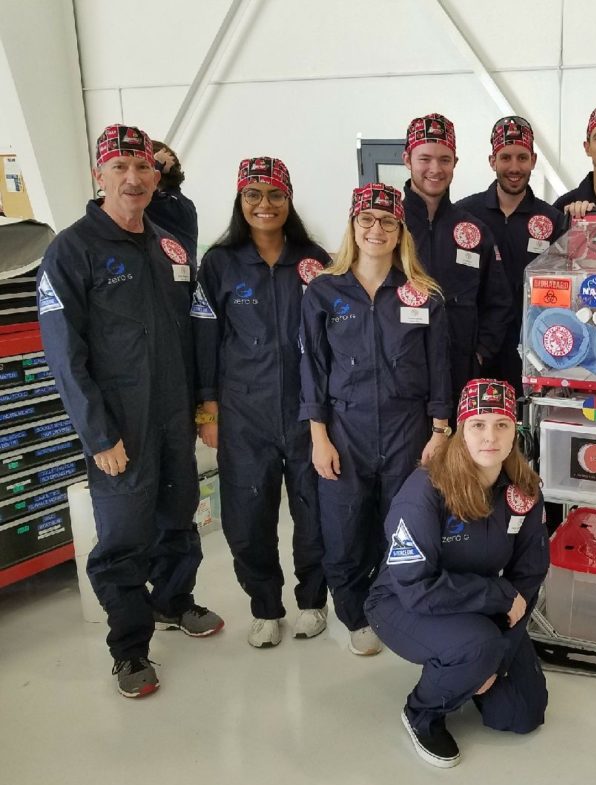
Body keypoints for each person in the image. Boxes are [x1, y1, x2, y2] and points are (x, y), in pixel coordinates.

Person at [37, 124, 223, 698]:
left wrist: (203, 405)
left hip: (172, 415)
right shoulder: (71, 250)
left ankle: (173, 600)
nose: (133, 179)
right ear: (100, 175)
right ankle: (130, 648)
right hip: (120, 424)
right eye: (120, 168)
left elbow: (195, 329)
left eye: (143, 168)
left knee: (179, 514)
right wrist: (98, 435)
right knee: (123, 537)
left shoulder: (168, 244)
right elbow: (65, 355)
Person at [300, 182, 452, 656]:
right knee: (344, 529)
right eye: (366, 219)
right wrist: (318, 437)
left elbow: (440, 370)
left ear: (400, 230)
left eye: (388, 221)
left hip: (409, 429)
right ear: (352, 225)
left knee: (403, 526)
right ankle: (353, 614)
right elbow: (311, 369)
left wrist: (441, 431)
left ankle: (397, 607)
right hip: (345, 429)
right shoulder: (324, 292)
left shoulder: (422, 296)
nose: (376, 229)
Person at [366, 378, 549, 768]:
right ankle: (422, 712)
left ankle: (469, 664)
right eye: (478, 424)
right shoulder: (425, 492)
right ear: (460, 430)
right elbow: (414, 587)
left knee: (521, 714)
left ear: (515, 430)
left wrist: (500, 660)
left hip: (470, 601)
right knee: (476, 646)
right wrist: (496, 598)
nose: (490, 436)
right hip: (400, 602)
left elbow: (528, 577)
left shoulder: (524, 491)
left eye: (501, 424)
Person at [192, 156, 330, 647]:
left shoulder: (314, 259)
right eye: (253, 195)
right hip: (244, 414)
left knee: (313, 515)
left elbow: (332, 336)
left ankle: (313, 601)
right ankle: (265, 607)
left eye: (274, 194)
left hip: (305, 412)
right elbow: (205, 340)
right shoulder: (220, 263)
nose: (264, 204)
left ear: (288, 200)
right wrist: (208, 410)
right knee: (248, 521)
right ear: (240, 201)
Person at [401, 113, 512, 403]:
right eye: (424, 159)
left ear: (455, 163)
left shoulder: (473, 231)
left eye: (444, 159)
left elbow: (498, 301)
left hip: (459, 375)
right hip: (401, 375)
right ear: (407, 159)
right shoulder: (388, 226)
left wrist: (479, 354)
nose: (435, 169)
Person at [455, 116, 566, 392]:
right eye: (505, 157)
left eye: (522, 157)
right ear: (492, 161)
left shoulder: (552, 220)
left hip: (532, 353)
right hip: (475, 352)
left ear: (534, 160)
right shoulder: (464, 215)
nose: (514, 167)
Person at [145, 140, 198, 268]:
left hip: (172, 284)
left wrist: (156, 164)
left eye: (143, 167)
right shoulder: (179, 202)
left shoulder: (173, 204)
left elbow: (145, 193)